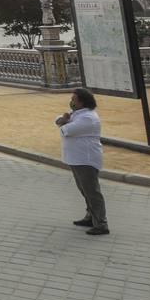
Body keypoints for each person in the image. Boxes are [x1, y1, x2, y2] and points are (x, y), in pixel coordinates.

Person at [56, 87, 108, 235]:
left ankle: (101, 223)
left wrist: (63, 122)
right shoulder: (77, 114)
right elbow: (59, 120)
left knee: (92, 192)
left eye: (74, 99)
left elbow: (65, 130)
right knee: (84, 190)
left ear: (82, 102)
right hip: (77, 159)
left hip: (86, 159)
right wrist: (63, 120)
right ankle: (90, 216)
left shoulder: (88, 118)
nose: (71, 102)